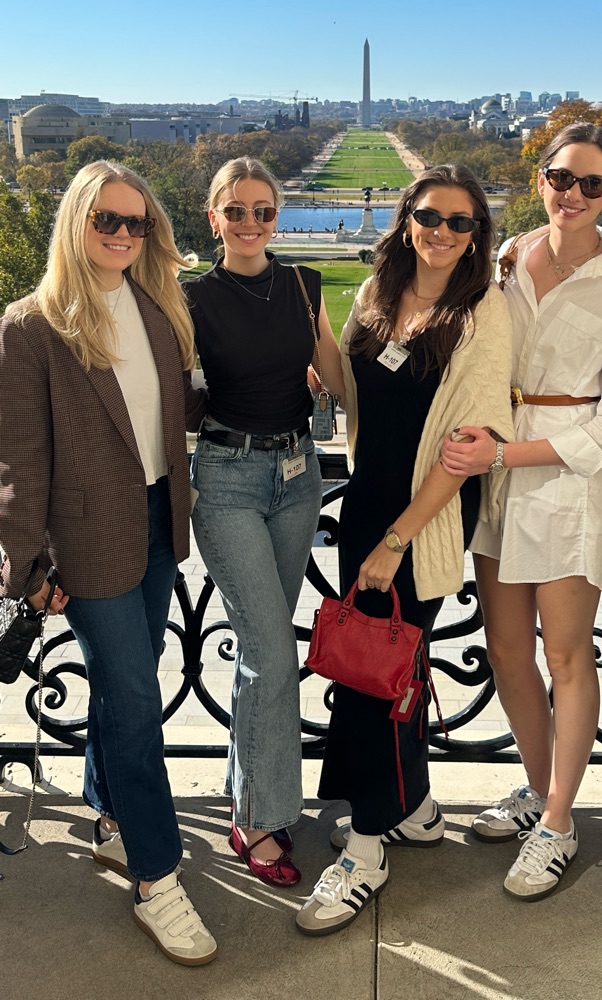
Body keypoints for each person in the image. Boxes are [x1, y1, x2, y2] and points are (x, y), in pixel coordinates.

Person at [0, 161, 216, 965]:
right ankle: (157, 877)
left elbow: (173, 409)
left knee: (131, 681)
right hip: (87, 540)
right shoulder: (31, 327)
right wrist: (28, 567)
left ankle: (111, 815)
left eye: (137, 223)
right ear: (77, 224)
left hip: (158, 520)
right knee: (133, 698)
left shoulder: (157, 306)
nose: (124, 234)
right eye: (108, 221)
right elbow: (18, 462)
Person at [441, 124, 602, 901]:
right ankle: (540, 793)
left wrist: (505, 455)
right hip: (497, 466)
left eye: (591, 184)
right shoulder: (508, 256)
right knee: (506, 650)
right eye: (560, 177)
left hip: (564, 479)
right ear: (540, 180)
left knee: (566, 657)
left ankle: (560, 823)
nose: (572, 194)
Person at [296, 164, 515, 936]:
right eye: (429, 216)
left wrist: (397, 540)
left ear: (477, 235)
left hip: (421, 519)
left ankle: (366, 850)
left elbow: (466, 449)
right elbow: (349, 391)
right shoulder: (377, 295)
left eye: (460, 222)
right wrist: (310, 320)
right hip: (366, 505)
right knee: (387, 664)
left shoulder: (482, 312)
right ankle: (413, 809)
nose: (442, 232)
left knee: (373, 678)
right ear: (406, 221)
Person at [184, 157, 344, 889]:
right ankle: (259, 816)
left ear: (277, 217)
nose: (251, 223)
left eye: (264, 211)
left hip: (298, 476)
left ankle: (247, 793)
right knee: (273, 655)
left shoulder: (303, 284)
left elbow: (335, 372)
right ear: (213, 217)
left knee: (263, 650)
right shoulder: (190, 297)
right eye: (236, 210)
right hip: (226, 478)